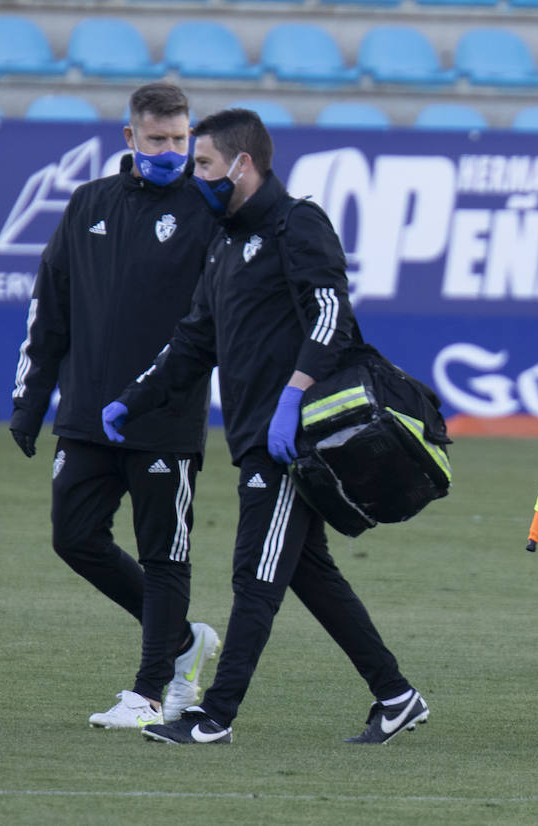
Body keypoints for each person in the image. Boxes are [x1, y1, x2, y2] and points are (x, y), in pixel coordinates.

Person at [105, 108, 428, 745]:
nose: (196, 174)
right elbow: (197, 340)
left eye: (204, 163)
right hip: (256, 434)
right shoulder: (224, 240)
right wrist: (133, 399)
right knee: (309, 571)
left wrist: (293, 396)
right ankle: (396, 695)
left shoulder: (295, 222)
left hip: (294, 438)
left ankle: (213, 717)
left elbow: (331, 313)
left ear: (242, 164)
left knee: (255, 575)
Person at [10, 82, 222, 730]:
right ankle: (184, 641)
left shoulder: (208, 211)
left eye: (181, 140)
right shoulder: (88, 203)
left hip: (166, 417)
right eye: (157, 140)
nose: (170, 152)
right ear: (130, 139)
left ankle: (151, 693)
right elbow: (52, 304)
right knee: (73, 537)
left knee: (165, 557)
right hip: (86, 411)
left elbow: (227, 313)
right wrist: (30, 399)